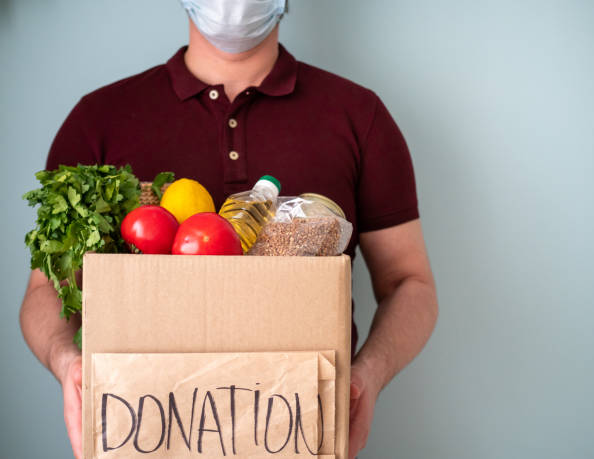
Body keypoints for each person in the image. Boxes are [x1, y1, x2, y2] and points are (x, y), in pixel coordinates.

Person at [19, 1, 438, 458]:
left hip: (295, 432)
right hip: (145, 430)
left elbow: (409, 282)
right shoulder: (98, 119)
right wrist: (68, 364)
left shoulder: (359, 116)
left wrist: (366, 378)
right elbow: (46, 290)